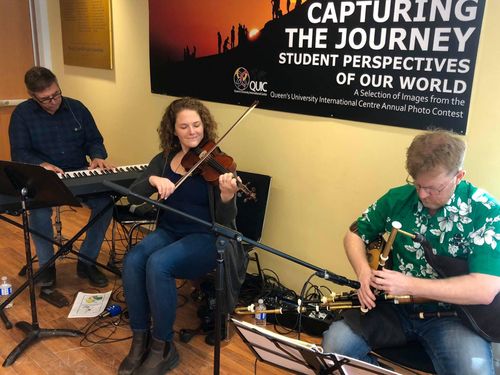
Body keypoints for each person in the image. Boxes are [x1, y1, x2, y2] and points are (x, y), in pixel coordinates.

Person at [322, 130, 500, 375]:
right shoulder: (398, 198)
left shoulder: (486, 212)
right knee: (335, 347)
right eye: (416, 184)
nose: (422, 195)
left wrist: (410, 285)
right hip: (393, 308)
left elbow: (484, 289)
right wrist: (364, 274)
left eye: (433, 188)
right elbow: (354, 234)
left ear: (459, 176)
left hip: (452, 314)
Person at [119, 97, 244, 375]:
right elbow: (134, 192)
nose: (192, 132)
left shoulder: (220, 165)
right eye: (184, 126)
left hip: (206, 238)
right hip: (170, 231)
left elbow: (227, 222)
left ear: (205, 126)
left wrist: (227, 196)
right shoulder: (164, 159)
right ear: (173, 130)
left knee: (159, 264)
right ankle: (140, 338)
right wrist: (153, 180)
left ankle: (162, 347)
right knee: (133, 260)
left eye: (197, 125)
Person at [9, 66, 113, 289]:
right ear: (33, 96)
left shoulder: (77, 108)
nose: (53, 101)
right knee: (37, 213)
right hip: (44, 178)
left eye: (56, 94)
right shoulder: (22, 115)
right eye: (45, 99)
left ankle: (87, 261)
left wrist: (96, 156)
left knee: (106, 204)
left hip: (78, 172)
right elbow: (19, 152)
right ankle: (47, 266)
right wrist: (42, 164)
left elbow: (94, 140)